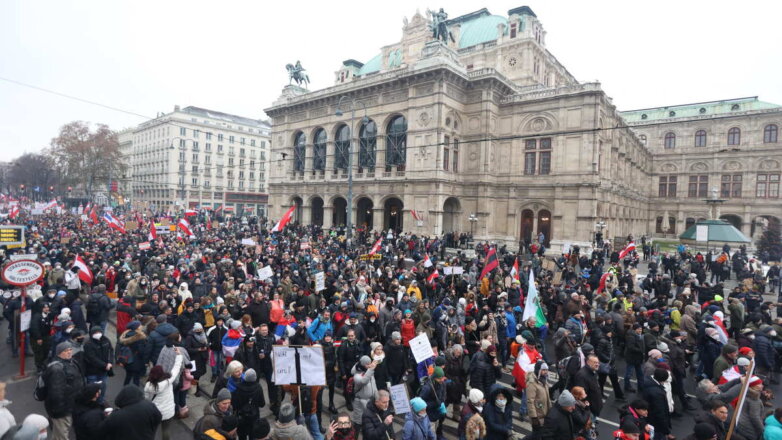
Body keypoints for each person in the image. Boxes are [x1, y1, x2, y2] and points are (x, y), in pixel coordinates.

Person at [44, 342, 85, 440]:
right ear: (59, 353)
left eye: (70, 349)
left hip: (69, 405)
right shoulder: (57, 369)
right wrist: (60, 412)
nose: (69, 352)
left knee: (58, 434)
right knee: (62, 435)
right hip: (62, 410)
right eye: (66, 351)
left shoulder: (70, 362)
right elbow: (56, 393)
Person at [144, 349, 183, 440]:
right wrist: (179, 355)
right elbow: (176, 368)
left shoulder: (148, 386)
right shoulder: (168, 380)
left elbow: (147, 399)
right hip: (168, 411)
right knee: (166, 430)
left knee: (152, 430)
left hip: (154, 411)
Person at [83, 325, 114, 404]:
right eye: (96, 332)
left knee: (102, 387)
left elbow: (111, 351)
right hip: (92, 371)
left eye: (99, 332)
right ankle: (91, 403)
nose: (98, 334)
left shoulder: (106, 340)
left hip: (103, 371)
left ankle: (100, 402)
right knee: (92, 389)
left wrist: (110, 362)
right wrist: (105, 365)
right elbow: (92, 358)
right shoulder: (88, 344)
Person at [233, 368, 265, 440]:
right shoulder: (258, 387)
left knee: (242, 436)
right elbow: (262, 404)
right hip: (254, 418)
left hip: (241, 418)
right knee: (253, 436)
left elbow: (234, 404)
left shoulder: (238, 387)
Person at [642, 369, 672, 440]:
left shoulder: (648, 382)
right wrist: (666, 430)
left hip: (650, 418)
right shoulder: (657, 393)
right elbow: (660, 413)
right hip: (656, 424)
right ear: (663, 380)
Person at [351, 355, 378, 428]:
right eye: (367, 364)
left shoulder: (368, 371)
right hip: (360, 402)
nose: (369, 365)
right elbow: (363, 381)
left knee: (368, 422)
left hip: (369, 401)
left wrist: (377, 397)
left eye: (370, 363)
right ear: (362, 364)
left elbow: (374, 384)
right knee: (358, 423)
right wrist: (371, 369)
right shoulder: (357, 374)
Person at [118, 320, 147, 386]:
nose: (141, 326)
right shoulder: (140, 337)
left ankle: (125, 389)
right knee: (136, 378)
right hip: (136, 361)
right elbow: (141, 351)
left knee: (128, 376)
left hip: (127, 360)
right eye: (139, 325)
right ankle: (135, 393)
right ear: (136, 327)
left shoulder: (125, 335)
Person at [573, 354, 603, 420]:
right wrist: (588, 409)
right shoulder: (582, 376)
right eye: (595, 362)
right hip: (590, 411)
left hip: (594, 409)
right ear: (588, 362)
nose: (598, 364)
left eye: (598, 362)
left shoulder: (593, 372)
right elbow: (581, 396)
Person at [526, 360, 552, 433]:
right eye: (543, 370)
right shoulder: (532, 383)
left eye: (546, 370)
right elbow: (530, 401)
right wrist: (534, 418)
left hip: (544, 415)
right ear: (538, 370)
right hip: (537, 417)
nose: (546, 372)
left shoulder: (544, 380)